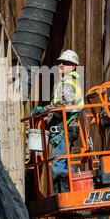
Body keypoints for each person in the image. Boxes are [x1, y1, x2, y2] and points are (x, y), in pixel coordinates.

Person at [32, 50, 84, 193]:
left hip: (64, 128)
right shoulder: (66, 81)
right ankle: (73, 191)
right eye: (60, 62)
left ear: (73, 66)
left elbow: (64, 106)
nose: (61, 65)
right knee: (65, 161)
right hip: (64, 127)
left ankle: (64, 195)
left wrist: (44, 109)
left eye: (65, 63)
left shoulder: (69, 82)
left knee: (59, 162)